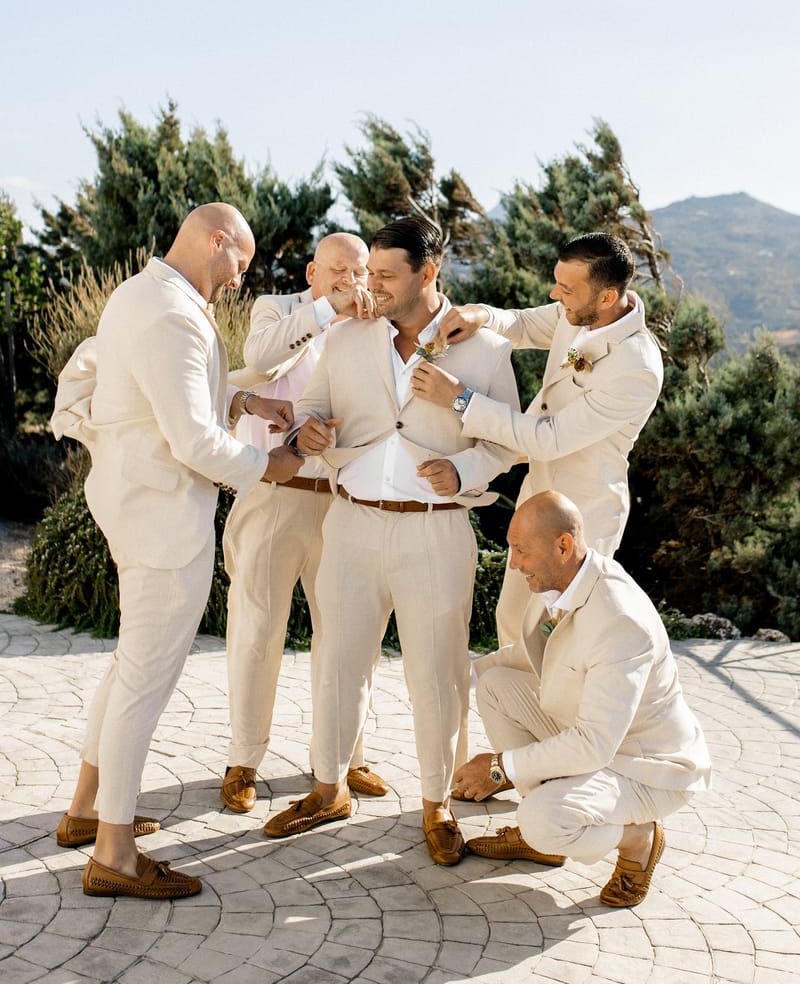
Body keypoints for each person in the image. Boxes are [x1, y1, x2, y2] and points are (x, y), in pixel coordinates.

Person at [50, 203, 302, 900]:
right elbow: (191, 442)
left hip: (135, 498)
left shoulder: (142, 293)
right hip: (161, 518)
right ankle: (114, 854)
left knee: (131, 664)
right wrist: (269, 466)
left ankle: (84, 812)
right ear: (215, 240)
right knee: (145, 680)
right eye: (239, 264)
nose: (237, 282)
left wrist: (246, 403)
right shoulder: (173, 313)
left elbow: (166, 399)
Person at [262, 216, 520, 865]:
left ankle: (436, 804)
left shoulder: (483, 348)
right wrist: (311, 436)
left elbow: (508, 440)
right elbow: (314, 409)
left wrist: (463, 469)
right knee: (336, 662)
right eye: (366, 271)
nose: (365, 284)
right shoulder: (346, 336)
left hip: (435, 532)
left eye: (383, 274)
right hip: (350, 521)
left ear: (427, 275)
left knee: (436, 674)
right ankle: (329, 787)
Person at [453, 491, 711, 907]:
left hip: (643, 765)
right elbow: (537, 654)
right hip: (594, 734)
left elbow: (595, 744)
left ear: (563, 546)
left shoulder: (620, 620)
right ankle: (550, 838)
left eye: (521, 551)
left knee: (539, 819)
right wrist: (458, 678)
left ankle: (638, 838)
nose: (514, 563)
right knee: (497, 686)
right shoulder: (565, 580)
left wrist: (500, 769)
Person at [413, 232, 664, 645]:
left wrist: (460, 400)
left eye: (566, 288)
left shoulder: (635, 368)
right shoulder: (579, 312)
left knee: (556, 640)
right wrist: (482, 316)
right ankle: (515, 709)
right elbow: (527, 324)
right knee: (512, 622)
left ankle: (557, 712)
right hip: (538, 498)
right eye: (556, 282)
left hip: (584, 514)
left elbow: (548, 439)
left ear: (607, 297)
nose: (555, 294)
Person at [220, 232, 390, 813]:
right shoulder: (278, 310)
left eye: (360, 271)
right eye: (338, 270)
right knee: (256, 628)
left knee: (347, 637)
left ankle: (344, 758)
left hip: (345, 501)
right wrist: (327, 312)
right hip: (275, 494)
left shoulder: (374, 327)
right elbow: (260, 360)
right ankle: (244, 758)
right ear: (313, 272)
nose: (350, 281)